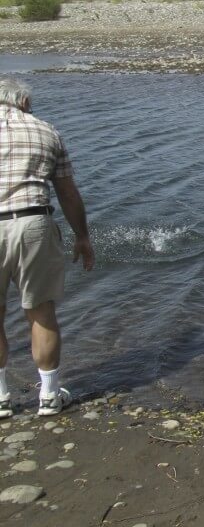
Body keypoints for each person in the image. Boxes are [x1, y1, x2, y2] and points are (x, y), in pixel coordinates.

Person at [0, 76, 94, 418]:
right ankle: (50, 397)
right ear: (24, 102)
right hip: (33, 223)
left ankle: (1, 400)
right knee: (41, 312)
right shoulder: (46, 130)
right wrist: (82, 236)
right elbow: (68, 193)